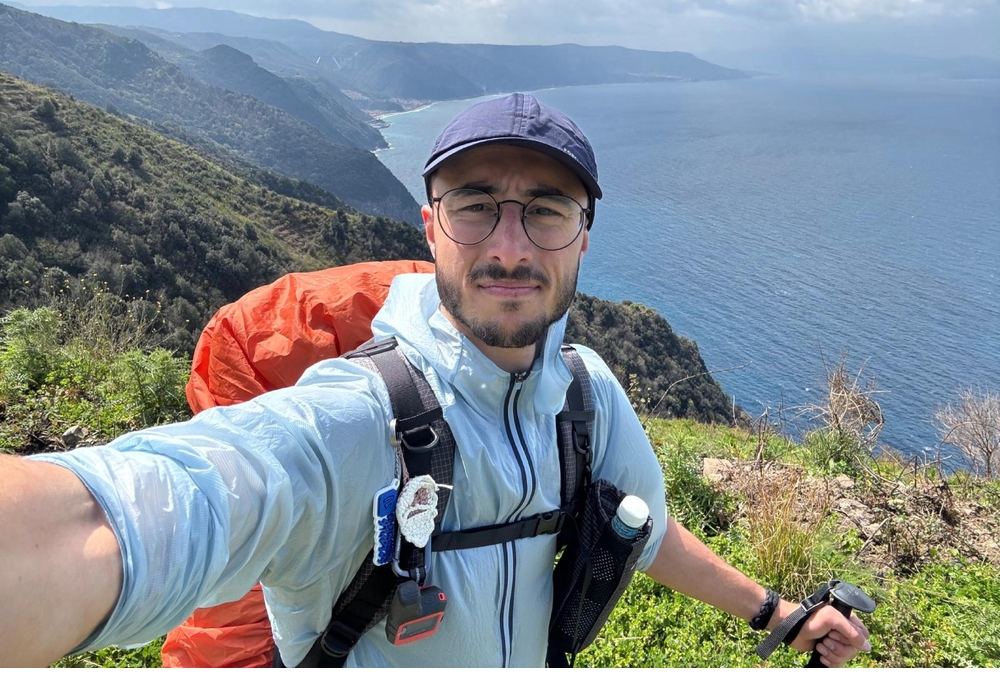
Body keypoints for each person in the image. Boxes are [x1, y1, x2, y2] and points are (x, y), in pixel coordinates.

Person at [0, 93, 872, 668]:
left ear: (583, 236)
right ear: (431, 226)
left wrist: (779, 615)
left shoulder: (586, 393)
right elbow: (145, 509)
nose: (508, 245)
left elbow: (642, 528)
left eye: (546, 210)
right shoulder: (352, 420)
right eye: (474, 205)